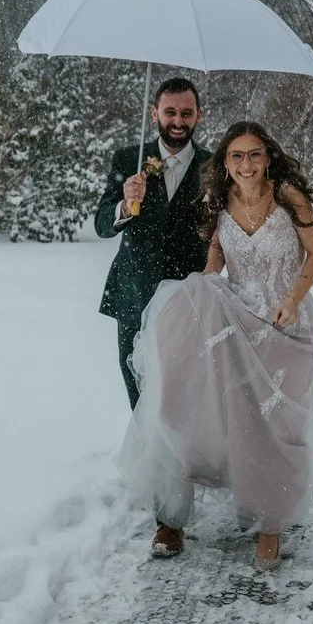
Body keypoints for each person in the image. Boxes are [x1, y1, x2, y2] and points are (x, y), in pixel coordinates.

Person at [117, 120, 313, 572]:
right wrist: (196, 298)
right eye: (236, 156)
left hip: (287, 323)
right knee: (243, 420)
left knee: (278, 425)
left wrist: (291, 300)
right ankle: (185, 499)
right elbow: (216, 262)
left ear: (267, 156)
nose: (246, 164)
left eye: (254, 155)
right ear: (225, 163)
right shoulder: (219, 202)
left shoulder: (288, 196)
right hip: (240, 320)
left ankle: (271, 523)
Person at [94, 77, 211, 409]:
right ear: (153, 113)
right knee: (139, 384)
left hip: (188, 295)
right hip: (133, 291)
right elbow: (102, 224)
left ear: (199, 115)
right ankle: (147, 457)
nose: (177, 121)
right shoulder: (129, 159)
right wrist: (124, 204)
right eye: (169, 111)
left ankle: (183, 457)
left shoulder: (213, 166)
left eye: (186, 113)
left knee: (184, 385)